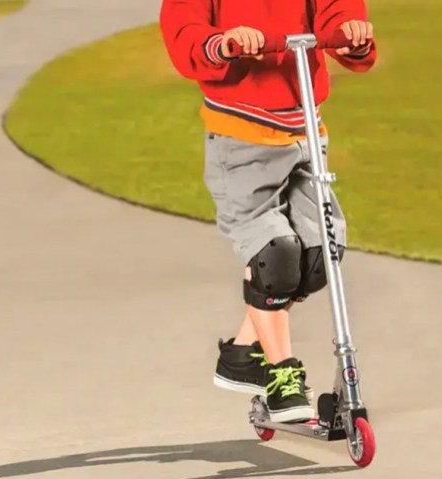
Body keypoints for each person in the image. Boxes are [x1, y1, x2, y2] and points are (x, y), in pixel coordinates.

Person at [160, 0, 376, 423]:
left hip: (305, 129)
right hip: (240, 137)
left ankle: (242, 354)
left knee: (318, 256)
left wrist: (350, 34)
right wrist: (221, 43)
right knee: (272, 256)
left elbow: (337, 11)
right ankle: (281, 375)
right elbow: (184, 30)